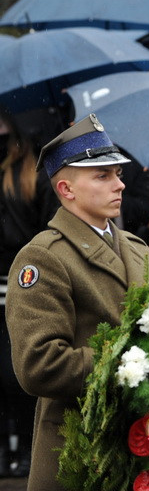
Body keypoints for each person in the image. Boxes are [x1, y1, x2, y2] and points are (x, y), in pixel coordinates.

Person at [4, 114, 149, 490]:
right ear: (66, 189)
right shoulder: (43, 257)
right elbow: (38, 364)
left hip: (144, 445)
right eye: (102, 176)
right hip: (77, 449)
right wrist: (131, 364)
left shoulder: (139, 250)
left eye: (118, 174)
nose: (120, 185)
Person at [0, 107, 59, 477]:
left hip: (20, 280)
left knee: (16, 372)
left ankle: (23, 446)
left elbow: (44, 229)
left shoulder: (31, 171)